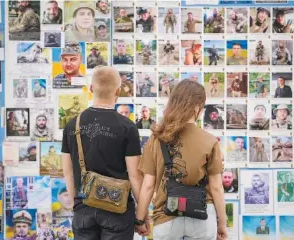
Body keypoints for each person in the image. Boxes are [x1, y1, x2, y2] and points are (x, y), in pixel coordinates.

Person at [135, 80, 227, 239]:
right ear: (198, 107)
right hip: (202, 216)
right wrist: (222, 223)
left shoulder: (156, 139)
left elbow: (148, 186)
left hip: (166, 217)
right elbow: (217, 187)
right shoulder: (210, 141)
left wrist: (140, 219)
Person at [61, 66, 144, 239]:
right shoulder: (127, 127)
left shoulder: (71, 125)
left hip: (83, 209)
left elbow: (67, 171)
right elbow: (135, 176)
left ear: (91, 89)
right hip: (118, 210)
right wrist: (142, 216)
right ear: (118, 91)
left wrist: (75, 203)